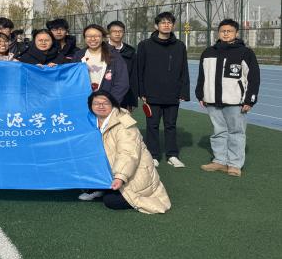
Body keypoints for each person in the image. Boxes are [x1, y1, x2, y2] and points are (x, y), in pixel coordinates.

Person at [84, 90, 171, 213]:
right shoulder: (92, 122)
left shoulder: (124, 124)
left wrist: (120, 177)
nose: (101, 106)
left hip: (134, 173)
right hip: (111, 167)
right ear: (90, 106)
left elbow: (128, 153)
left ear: (113, 105)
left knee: (111, 201)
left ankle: (108, 189)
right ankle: (101, 188)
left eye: (105, 103)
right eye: (96, 103)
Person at [196, 19, 261, 177]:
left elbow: (254, 78)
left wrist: (249, 100)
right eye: (223, 31)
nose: (226, 34)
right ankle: (219, 161)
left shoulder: (245, 53)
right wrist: (200, 94)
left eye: (229, 31)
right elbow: (202, 76)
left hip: (235, 102)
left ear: (236, 33)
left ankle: (234, 164)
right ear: (218, 33)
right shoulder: (208, 52)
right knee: (218, 131)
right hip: (212, 100)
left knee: (236, 133)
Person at [136, 12, 190, 168]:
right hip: (151, 94)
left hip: (172, 93)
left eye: (169, 22)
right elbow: (140, 70)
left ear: (173, 25)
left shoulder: (179, 46)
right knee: (152, 126)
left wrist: (183, 91)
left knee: (170, 125)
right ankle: (153, 155)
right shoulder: (145, 45)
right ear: (156, 26)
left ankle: (172, 155)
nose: (166, 25)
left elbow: (184, 70)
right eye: (163, 22)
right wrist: (141, 92)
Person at [74, 24, 129, 104]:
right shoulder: (78, 55)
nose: (93, 39)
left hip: (106, 104)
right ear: (85, 38)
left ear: (103, 37)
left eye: (97, 36)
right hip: (83, 102)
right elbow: (71, 79)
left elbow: (122, 83)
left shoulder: (114, 55)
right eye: (88, 36)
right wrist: (56, 69)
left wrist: (110, 102)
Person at [107, 21, 138, 111]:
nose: (117, 34)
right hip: (104, 94)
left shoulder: (130, 51)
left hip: (125, 96)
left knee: (123, 120)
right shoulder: (101, 49)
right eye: (114, 31)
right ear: (109, 33)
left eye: (120, 31)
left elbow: (133, 76)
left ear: (124, 33)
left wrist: (132, 101)